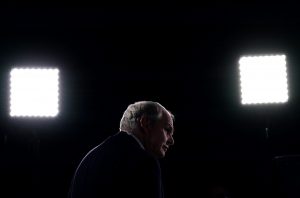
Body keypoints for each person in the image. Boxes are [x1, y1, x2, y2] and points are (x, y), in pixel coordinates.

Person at [68, 101, 175, 198]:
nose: (171, 140)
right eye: (167, 130)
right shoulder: (144, 162)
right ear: (146, 123)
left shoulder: (88, 160)